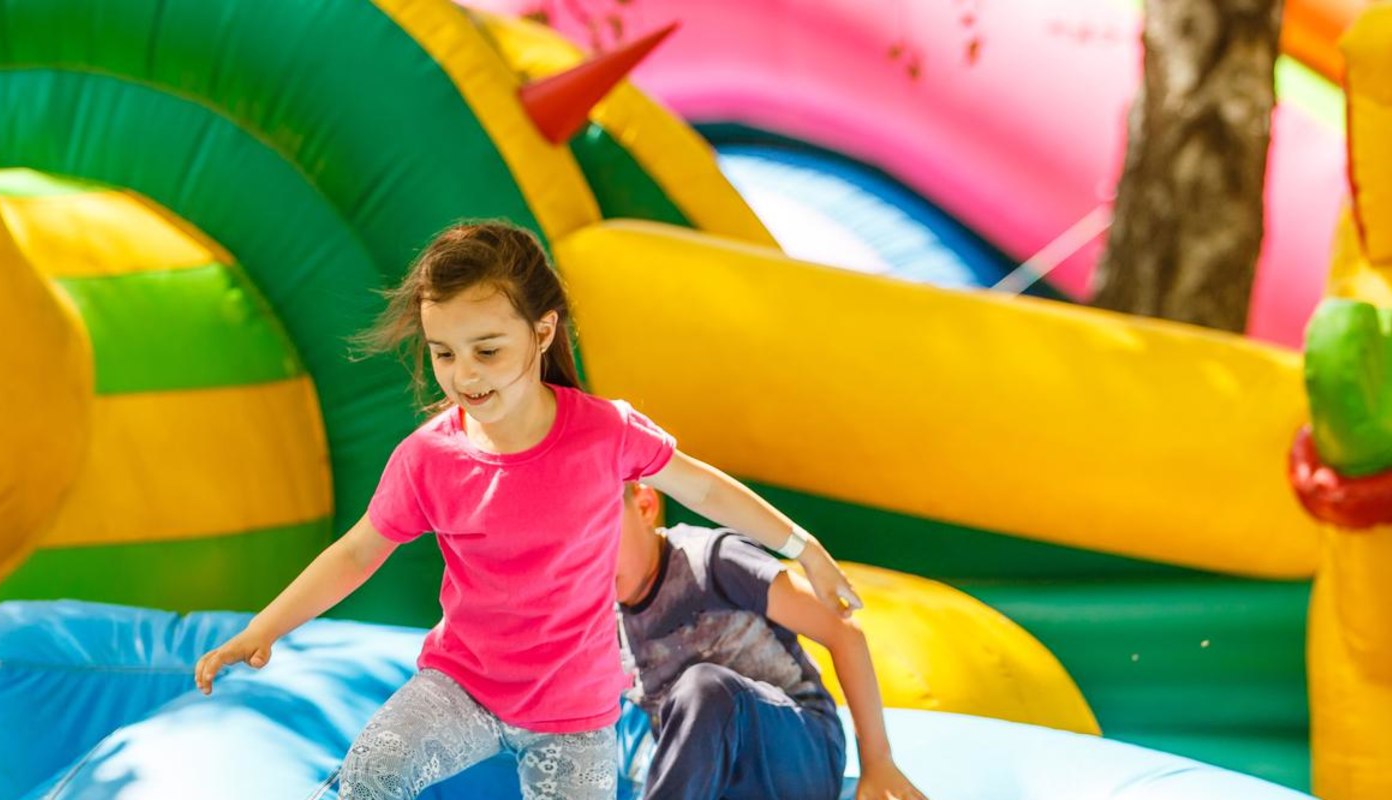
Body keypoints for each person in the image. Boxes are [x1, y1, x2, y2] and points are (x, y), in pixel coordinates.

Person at [193, 220, 861, 799]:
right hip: (464, 687)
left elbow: (708, 491)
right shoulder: (432, 456)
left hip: (575, 715)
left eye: (487, 350)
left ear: (543, 331)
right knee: (372, 771)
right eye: (444, 353)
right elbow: (358, 551)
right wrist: (265, 628)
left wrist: (807, 550)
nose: (465, 375)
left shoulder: (604, 434)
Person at [615, 482, 927, 800]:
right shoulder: (605, 614)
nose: (594, 562)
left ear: (644, 506)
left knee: (703, 687)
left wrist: (877, 763)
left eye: (604, 538)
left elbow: (843, 631)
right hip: (722, 782)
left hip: (800, 757)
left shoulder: (711, 561)